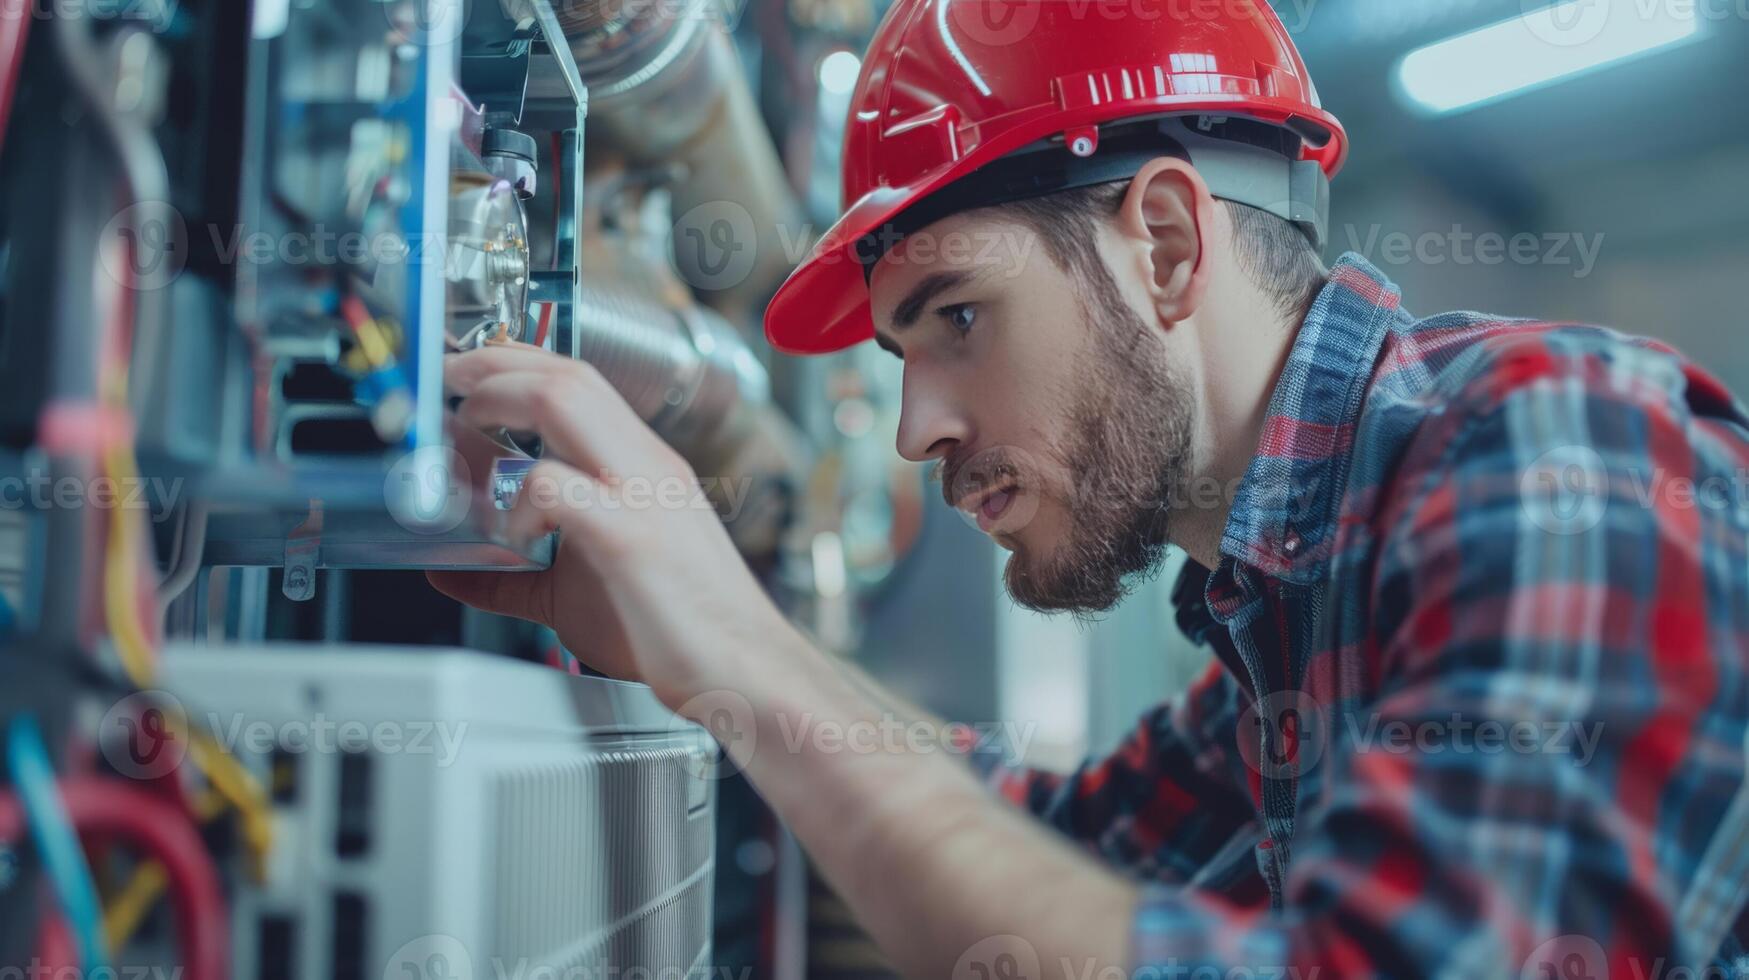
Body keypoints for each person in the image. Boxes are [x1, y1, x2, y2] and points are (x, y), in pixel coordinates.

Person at [432, 1, 1749, 976]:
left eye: (956, 316)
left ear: (1167, 245)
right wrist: (699, 646)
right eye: (898, 354)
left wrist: (734, 644)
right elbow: (1057, 851)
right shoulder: (1277, 608)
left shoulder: (1563, 451)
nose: (913, 430)